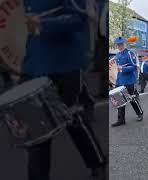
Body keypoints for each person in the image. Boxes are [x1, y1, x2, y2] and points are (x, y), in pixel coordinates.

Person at [22, 0, 106, 179]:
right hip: (34, 66)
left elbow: (79, 18)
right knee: (38, 131)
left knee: (72, 120)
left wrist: (43, 24)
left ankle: (97, 164)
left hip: (64, 66)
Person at [111, 37, 143, 127]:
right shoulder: (117, 55)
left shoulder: (130, 53)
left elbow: (134, 66)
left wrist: (123, 68)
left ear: (125, 44)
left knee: (132, 98)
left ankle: (140, 113)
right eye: (118, 45)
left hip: (129, 80)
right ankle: (121, 119)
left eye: (121, 44)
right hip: (120, 80)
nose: (120, 46)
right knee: (119, 100)